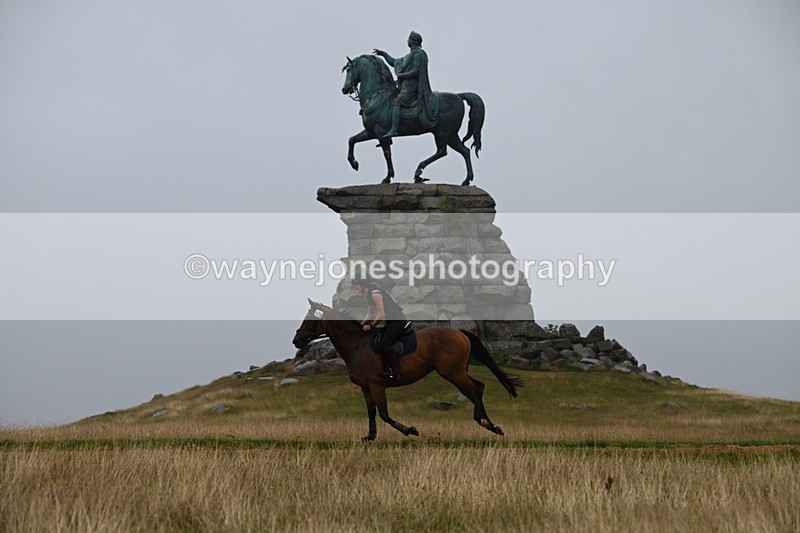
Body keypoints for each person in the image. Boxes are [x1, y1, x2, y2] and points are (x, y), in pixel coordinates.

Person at [373, 31, 438, 138]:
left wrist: (402, 76)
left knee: (397, 102)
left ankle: (394, 129)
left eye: (409, 39)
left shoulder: (418, 54)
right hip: (405, 87)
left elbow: (415, 71)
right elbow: (394, 62)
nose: (407, 41)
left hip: (412, 88)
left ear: (413, 41)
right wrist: (384, 54)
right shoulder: (409, 56)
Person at [352, 272, 407, 383]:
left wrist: (371, 326)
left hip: (398, 321)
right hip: (391, 322)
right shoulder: (368, 295)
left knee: (385, 343)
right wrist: (360, 325)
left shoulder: (375, 294)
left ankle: (395, 372)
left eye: (356, 285)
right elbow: (370, 314)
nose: (354, 288)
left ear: (363, 284)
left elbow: (381, 315)